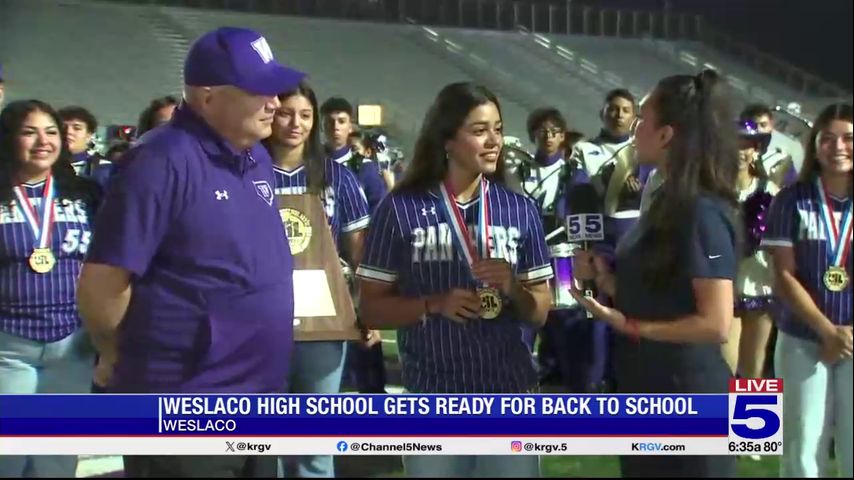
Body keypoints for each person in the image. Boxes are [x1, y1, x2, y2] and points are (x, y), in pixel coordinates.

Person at [76, 27, 305, 478]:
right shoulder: (160, 160)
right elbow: (102, 284)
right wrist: (117, 354)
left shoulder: (256, 157)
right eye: (259, 91)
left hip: (259, 398)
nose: (275, 103)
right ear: (207, 96)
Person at [356, 82, 553, 477]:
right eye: (479, 131)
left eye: (498, 129)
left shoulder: (519, 209)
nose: (494, 141)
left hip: (509, 394)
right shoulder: (400, 209)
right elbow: (370, 308)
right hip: (433, 395)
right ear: (446, 139)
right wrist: (432, 304)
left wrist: (513, 288)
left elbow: (540, 312)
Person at [570, 70, 739, 477]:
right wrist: (608, 281)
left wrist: (631, 326)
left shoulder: (700, 210)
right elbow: (663, 291)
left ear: (666, 135)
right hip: (648, 386)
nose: (634, 130)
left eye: (642, 119)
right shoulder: (665, 198)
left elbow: (715, 324)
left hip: (687, 395)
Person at [264, 80, 372, 478]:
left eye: (305, 115)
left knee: (315, 443)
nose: (296, 123)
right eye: (286, 113)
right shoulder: (246, 170)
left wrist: (365, 307)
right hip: (261, 319)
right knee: (266, 445)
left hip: (323, 320)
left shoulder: (337, 177)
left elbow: (359, 249)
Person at [0, 99, 101, 477]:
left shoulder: (86, 194)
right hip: (9, 348)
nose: (43, 141)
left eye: (51, 131)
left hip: (73, 346)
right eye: (29, 132)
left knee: (55, 460)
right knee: (7, 457)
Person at [761, 103, 852, 478]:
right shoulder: (790, 199)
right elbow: (783, 276)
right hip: (802, 337)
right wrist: (827, 331)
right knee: (802, 452)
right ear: (814, 145)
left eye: (848, 138)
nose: (838, 147)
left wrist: (845, 335)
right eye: (827, 138)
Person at [721, 120, 779, 378]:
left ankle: (754, 407)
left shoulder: (772, 192)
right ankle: (720, 407)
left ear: (756, 150)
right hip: (723, 287)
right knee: (725, 366)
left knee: (754, 369)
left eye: (746, 145)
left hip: (760, 285)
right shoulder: (713, 192)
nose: (739, 152)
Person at [570, 89, 637, 184]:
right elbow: (575, 186)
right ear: (602, 114)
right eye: (613, 109)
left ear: (633, 118)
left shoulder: (640, 152)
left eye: (626, 111)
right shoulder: (582, 149)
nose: (619, 115)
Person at [741, 103, 804, 186]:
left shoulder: (783, 157)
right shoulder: (735, 149)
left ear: (771, 125)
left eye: (763, 125)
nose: (759, 130)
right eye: (753, 125)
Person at [57, 106, 112, 189]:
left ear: (89, 135)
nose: (68, 132)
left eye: (77, 128)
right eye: (63, 127)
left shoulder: (104, 169)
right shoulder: (43, 166)